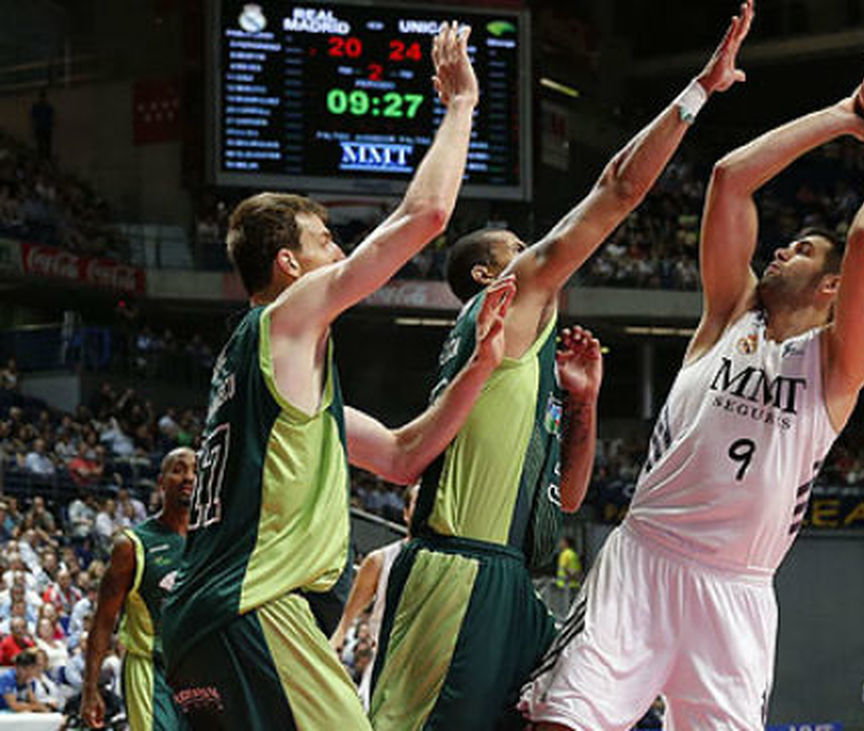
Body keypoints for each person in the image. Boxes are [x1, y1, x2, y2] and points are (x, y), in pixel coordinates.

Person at [521, 49, 864, 731]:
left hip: (736, 590)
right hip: (644, 558)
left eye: (804, 250)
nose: (782, 249)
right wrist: (847, 115)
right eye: (786, 244)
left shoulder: (838, 363)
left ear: (831, 287)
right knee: (557, 722)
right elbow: (730, 180)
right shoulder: (730, 313)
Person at [366, 6, 757, 729]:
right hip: (459, 570)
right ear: (491, 273)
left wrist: (582, 404)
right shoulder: (508, 302)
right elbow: (618, 189)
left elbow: (569, 498)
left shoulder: (523, 355)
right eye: (522, 246)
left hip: (511, 578)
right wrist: (699, 90)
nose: (543, 254)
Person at [160, 24, 512, 730]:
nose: (342, 251)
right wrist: (461, 107)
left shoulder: (274, 385)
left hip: (204, 628)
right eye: (326, 241)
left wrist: (477, 371)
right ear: (288, 266)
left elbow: (404, 457)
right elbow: (426, 215)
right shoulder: (285, 319)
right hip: (250, 609)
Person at [80, 447, 194, 730]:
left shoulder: (213, 540)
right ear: (161, 481)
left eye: (196, 471)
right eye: (178, 469)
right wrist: (90, 689)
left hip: (199, 669)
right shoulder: (132, 545)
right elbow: (103, 622)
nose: (189, 477)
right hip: (151, 671)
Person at [329, 483, 419, 710]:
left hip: (423, 668)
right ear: (406, 512)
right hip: (383, 664)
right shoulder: (380, 560)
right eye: (419, 504)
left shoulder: (447, 566)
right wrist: (336, 646)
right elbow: (345, 623)